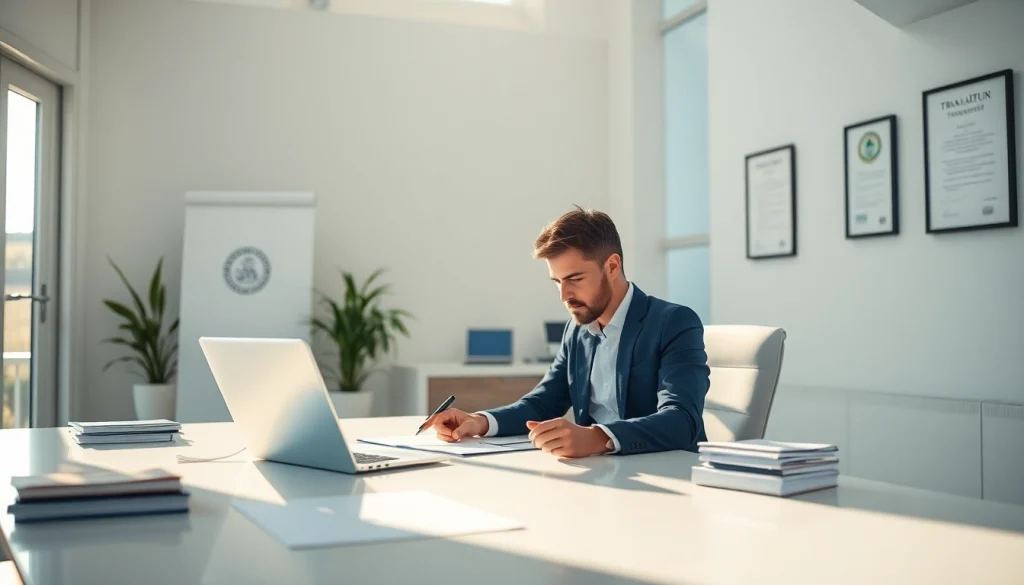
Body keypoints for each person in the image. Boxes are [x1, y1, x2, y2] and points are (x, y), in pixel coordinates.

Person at [423, 206, 711, 457]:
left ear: (612, 266)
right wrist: (480, 421)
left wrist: (598, 438)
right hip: (605, 473)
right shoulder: (577, 330)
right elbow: (543, 403)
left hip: (670, 475)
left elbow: (682, 420)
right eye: (557, 281)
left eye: (574, 278)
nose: (564, 295)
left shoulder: (673, 322)